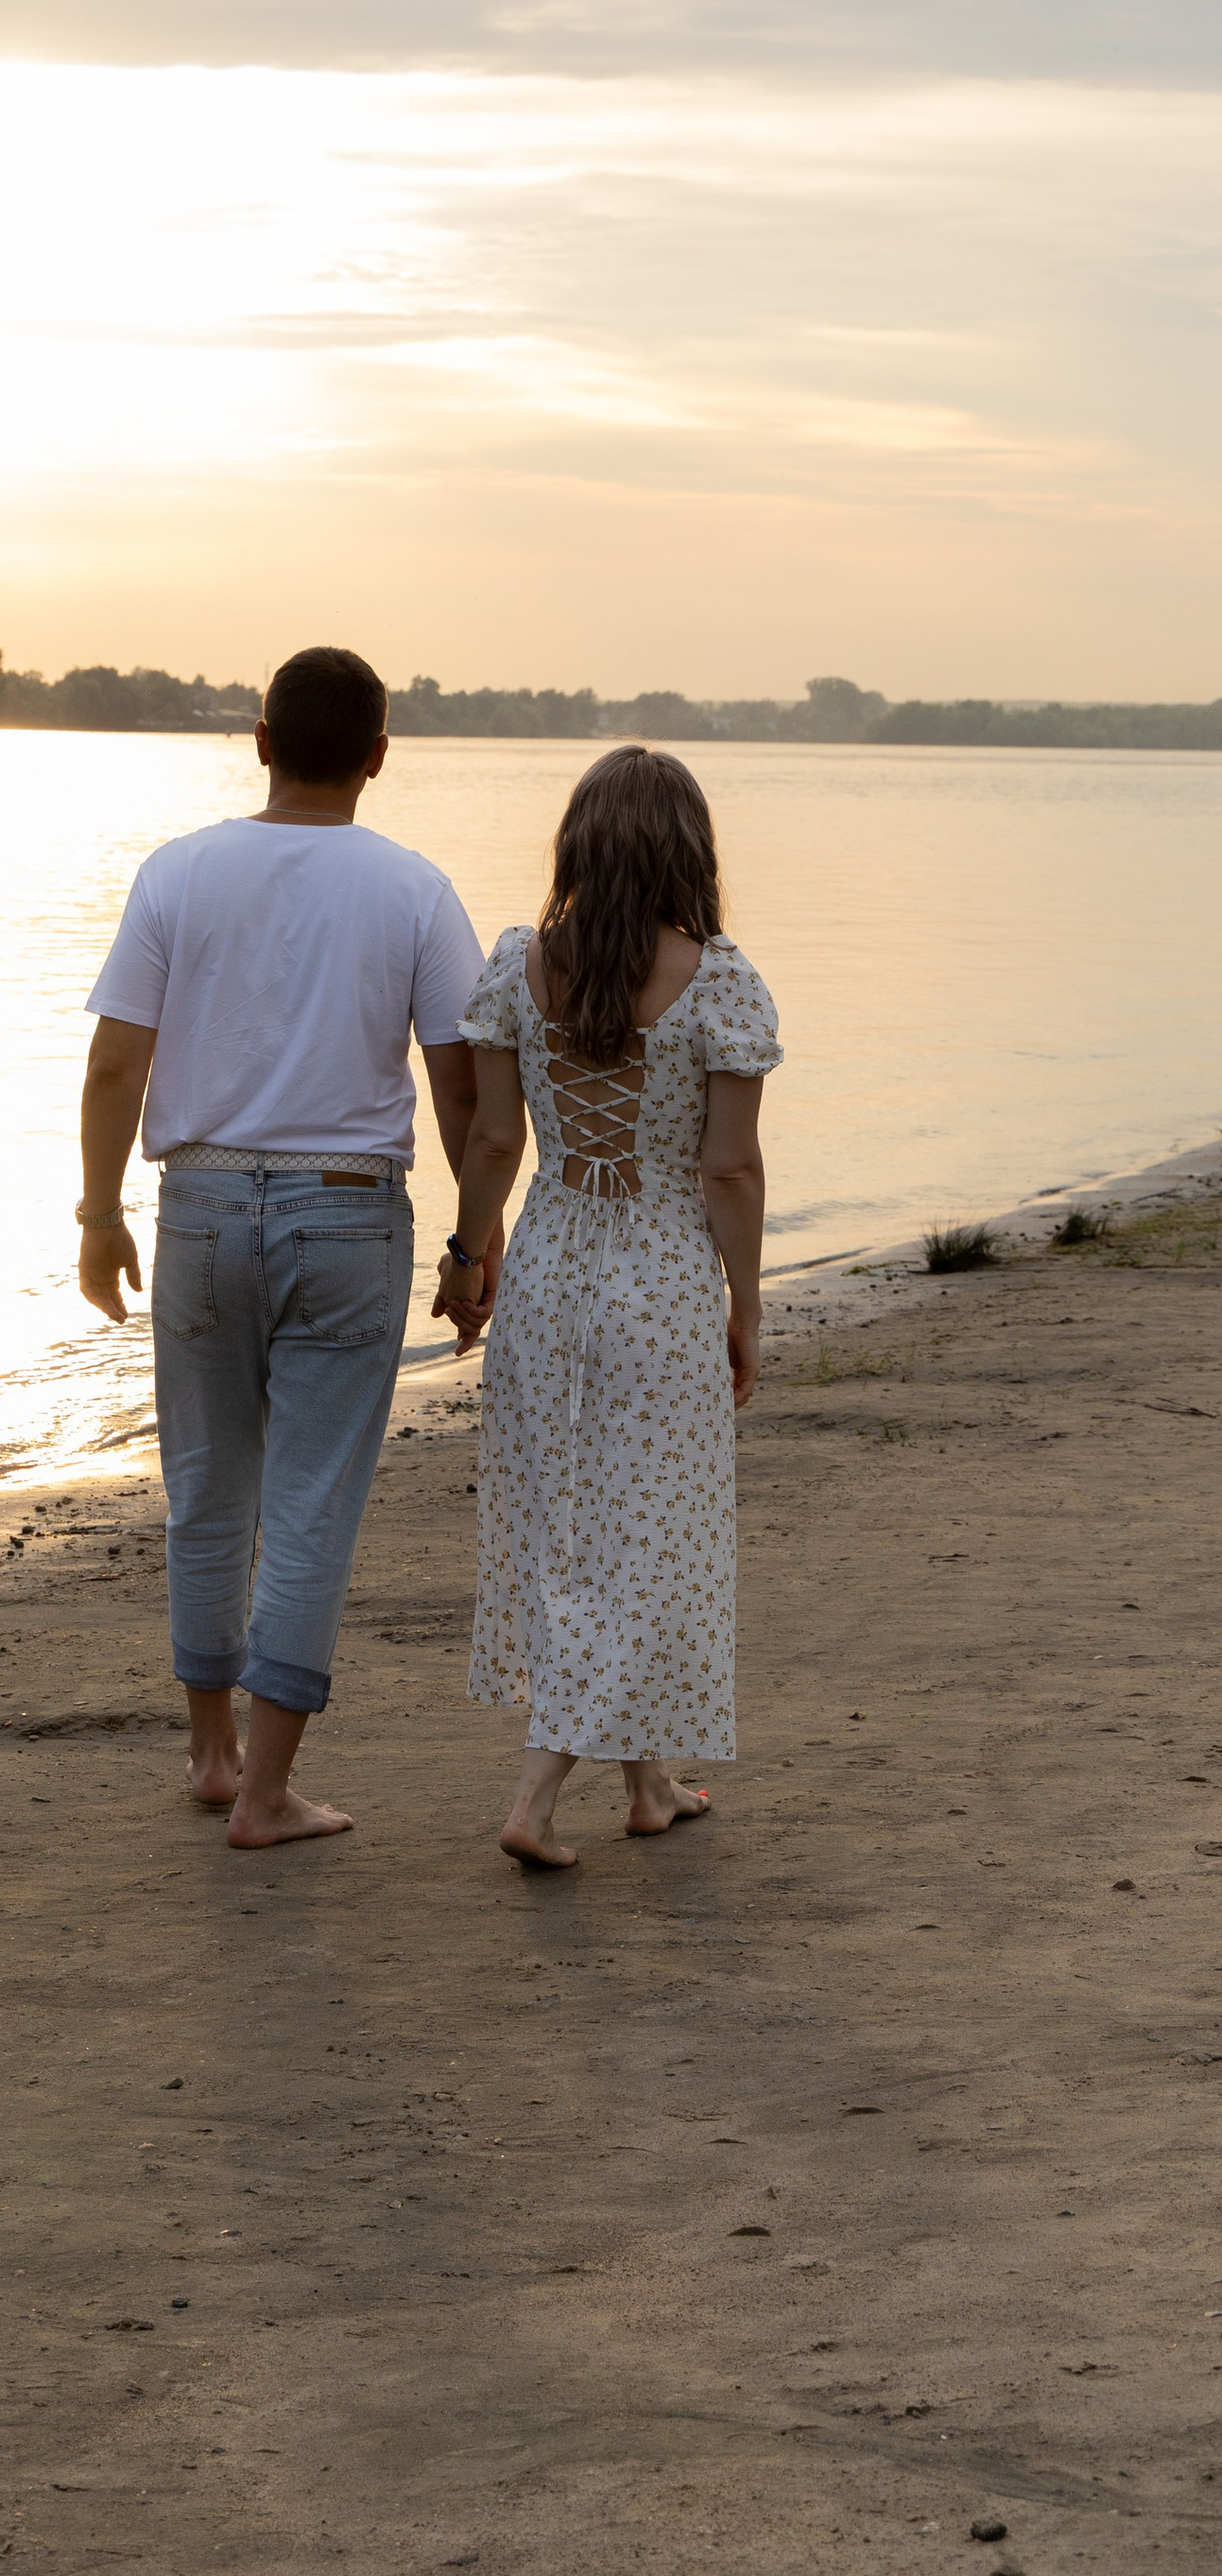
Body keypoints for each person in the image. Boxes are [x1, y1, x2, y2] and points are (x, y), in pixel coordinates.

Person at [76, 646, 489, 1847]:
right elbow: (458, 1085)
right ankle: (265, 1793)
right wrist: (472, 1238)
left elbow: (115, 1061)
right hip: (348, 1211)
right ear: (377, 755)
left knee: (206, 1490)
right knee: (309, 1503)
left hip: (199, 1208)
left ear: (258, 740)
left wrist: (99, 1212)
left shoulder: (177, 873)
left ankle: (210, 1752)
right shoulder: (413, 889)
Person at [435, 744, 780, 1870]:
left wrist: (468, 1258)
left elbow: (494, 1138)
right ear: (688, 845)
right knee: (651, 1529)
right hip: (662, 1276)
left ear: (576, 841)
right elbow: (727, 1171)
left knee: (579, 1525)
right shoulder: (717, 979)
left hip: (549, 1266)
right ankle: (536, 1795)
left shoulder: (519, 963)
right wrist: (747, 1307)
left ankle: (652, 1783)